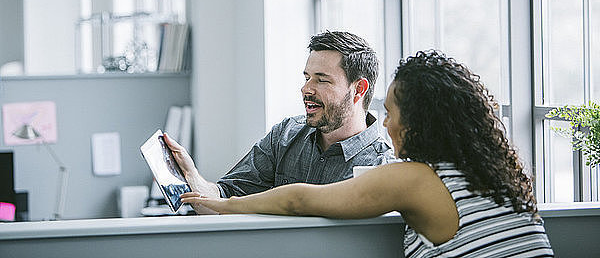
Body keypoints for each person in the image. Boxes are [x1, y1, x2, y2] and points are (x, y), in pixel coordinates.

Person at [182, 51, 554, 257]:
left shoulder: (412, 177)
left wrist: (224, 205)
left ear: (422, 123)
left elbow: (297, 199)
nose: (387, 125)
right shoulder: (496, 175)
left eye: (393, 114)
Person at [165, 30, 394, 214]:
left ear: (359, 89)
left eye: (322, 80)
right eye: (307, 78)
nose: (306, 89)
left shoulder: (381, 166)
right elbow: (222, 201)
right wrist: (191, 176)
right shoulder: (285, 135)